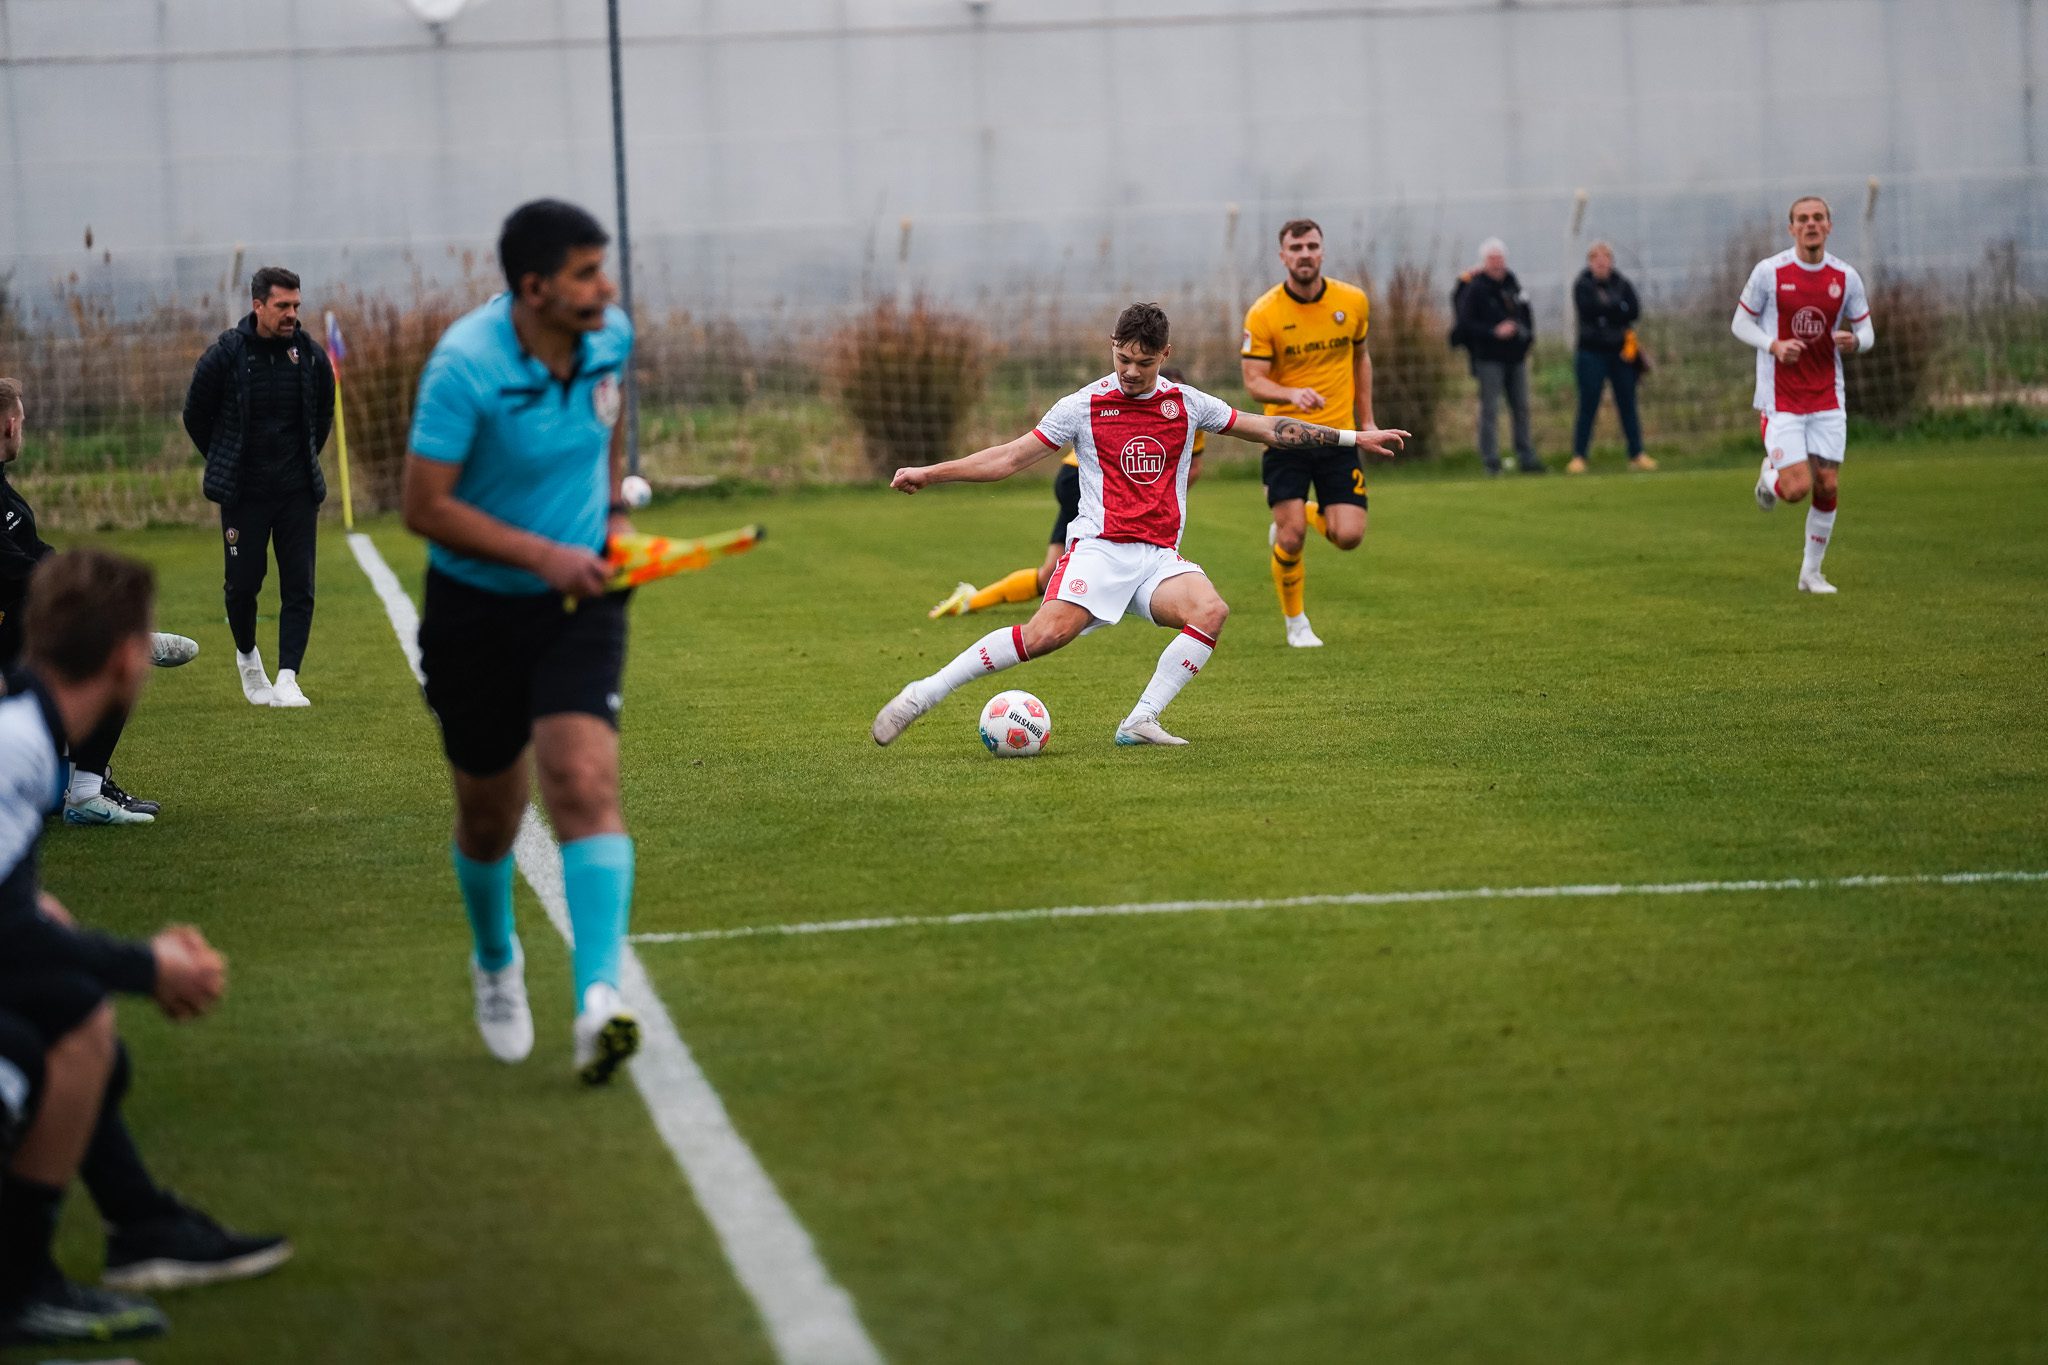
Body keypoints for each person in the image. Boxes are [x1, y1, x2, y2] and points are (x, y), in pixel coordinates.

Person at [872, 302, 1407, 749]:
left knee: (1211, 611)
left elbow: (1265, 426)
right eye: (1123, 359)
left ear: (1164, 357)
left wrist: (1351, 438)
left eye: (1144, 363)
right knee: (1045, 635)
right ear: (1112, 346)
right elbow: (1008, 459)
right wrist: (931, 473)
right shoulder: (1083, 405)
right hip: (1098, 552)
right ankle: (925, 692)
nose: (1130, 371)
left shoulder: (1187, 403)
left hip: (1156, 559)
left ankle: (1140, 720)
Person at [0, 549, 288, 1347]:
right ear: (130, 658)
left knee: (82, 1024)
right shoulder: (18, 745)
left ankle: (138, 1228)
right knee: (24, 1054)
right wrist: (151, 966)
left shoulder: (27, 727)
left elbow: (20, 912)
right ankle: (20, 1284)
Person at [401, 199, 643, 1084]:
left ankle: (599, 1002)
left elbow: (605, 426)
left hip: (582, 599)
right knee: (490, 814)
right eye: (585, 273)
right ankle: (496, 960)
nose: (605, 288)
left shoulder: (610, 336)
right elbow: (423, 507)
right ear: (534, 287)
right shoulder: (464, 366)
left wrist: (611, 515)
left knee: (581, 778)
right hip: (475, 610)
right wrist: (543, 554)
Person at [1, 378, 197, 826]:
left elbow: (32, 552)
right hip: (10, 642)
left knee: (104, 631)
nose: (24, 430)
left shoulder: (5, 491)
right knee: (109, 645)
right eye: (24, 422)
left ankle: (78, 785)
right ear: (11, 425)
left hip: (16, 630)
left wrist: (72, 577)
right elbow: (12, 568)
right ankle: (84, 791)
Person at [927, 367, 1205, 619]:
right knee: (1109, 560)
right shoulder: (1128, 403)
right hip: (1079, 478)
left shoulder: (1187, 410)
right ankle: (1092, 597)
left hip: (1073, 475)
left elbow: (1192, 469)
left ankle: (972, 600)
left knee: (1050, 571)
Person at [183, 266, 334, 709]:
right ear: (258, 306)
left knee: (299, 585)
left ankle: (288, 677)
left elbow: (322, 414)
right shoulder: (226, 354)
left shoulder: (308, 355)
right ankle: (248, 658)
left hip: (296, 491)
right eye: (282, 306)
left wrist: (302, 456)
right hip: (244, 494)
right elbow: (196, 414)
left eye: (296, 306)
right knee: (243, 585)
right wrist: (224, 457)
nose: (291, 314)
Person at [1239, 220, 1374, 649]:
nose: (1304, 253)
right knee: (1292, 536)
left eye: (1312, 245)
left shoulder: (1352, 301)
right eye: (1295, 247)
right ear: (1282, 256)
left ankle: (1303, 510)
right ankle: (1296, 623)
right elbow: (1254, 381)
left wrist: (1366, 421)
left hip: (1340, 437)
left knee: (1349, 537)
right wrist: (1291, 392)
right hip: (1286, 438)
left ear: (1322, 251)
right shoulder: (1264, 313)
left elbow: (1361, 360)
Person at [1731, 195, 1874, 594]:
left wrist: (1855, 342)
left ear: (1829, 226)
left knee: (1827, 483)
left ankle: (1811, 574)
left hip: (1827, 398)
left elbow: (1868, 331)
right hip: (1781, 401)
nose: (1811, 224)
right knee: (1796, 489)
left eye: (1818, 218)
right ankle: (1769, 480)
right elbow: (1739, 323)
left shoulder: (1845, 277)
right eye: (1802, 219)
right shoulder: (1769, 273)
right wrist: (1773, 345)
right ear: (1791, 228)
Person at [1452, 239, 1544, 476]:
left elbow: (1526, 314)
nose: (1496, 264)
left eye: (1500, 259)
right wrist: (1494, 331)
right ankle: (1491, 460)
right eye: (1492, 259)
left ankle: (1526, 456)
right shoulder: (1475, 288)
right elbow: (1465, 324)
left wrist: (1523, 335)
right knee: (1490, 410)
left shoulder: (1513, 285)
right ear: (1483, 263)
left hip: (1516, 356)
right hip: (1488, 358)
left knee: (1521, 407)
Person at [1569, 242, 1656, 474]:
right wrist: (1615, 309)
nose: (1601, 263)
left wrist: (1609, 310)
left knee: (1627, 402)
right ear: (1590, 262)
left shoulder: (1621, 283)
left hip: (1621, 352)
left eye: (1605, 259)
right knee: (1588, 403)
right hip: (1591, 352)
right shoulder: (1583, 284)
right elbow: (1589, 310)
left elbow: (1633, 311)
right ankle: (1579, 456)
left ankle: (1636, 453)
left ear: (1611, 261)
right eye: (1597, 259)